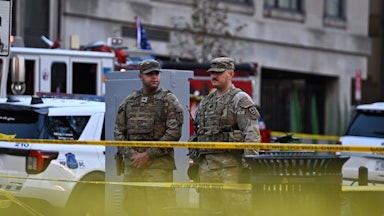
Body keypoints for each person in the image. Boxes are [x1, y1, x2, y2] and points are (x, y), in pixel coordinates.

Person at [188, 57, 260, 216]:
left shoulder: (240, 99)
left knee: (235, 211)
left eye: (219, 72)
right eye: (212, 72)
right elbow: (199, 133)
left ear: (231, 74)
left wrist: (249, 166)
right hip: (206, 168)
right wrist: (196, 162)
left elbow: (252, 134)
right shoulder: (206, 102)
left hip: (231, 169)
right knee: (207, 211)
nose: (214, 76)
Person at [114, 59, 184, 216]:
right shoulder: (130, 101)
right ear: (140, 76)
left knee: (161, 210)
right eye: (149, 74)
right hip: (133, 168)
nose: (154, 77)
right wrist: (132, 154)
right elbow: (119, 132)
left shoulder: (168, 101)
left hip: (158, 168)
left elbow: (174, 133)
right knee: (134, 209)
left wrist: (147, 155)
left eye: (156, 74)